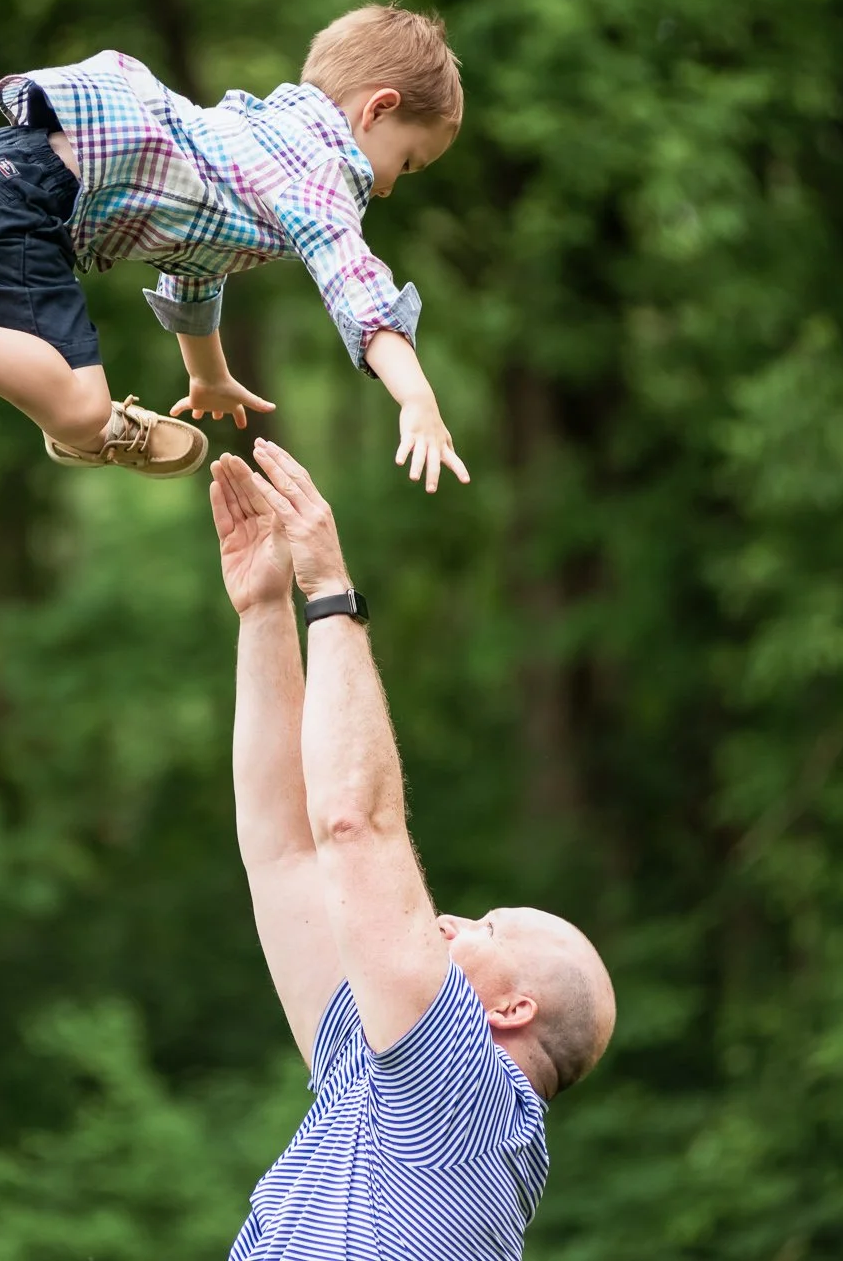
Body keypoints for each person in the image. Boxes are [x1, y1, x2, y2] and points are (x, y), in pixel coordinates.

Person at [0, 6, 472, 492]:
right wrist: (417, 398)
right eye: (406, 163)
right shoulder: (323, 171)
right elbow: (357, 285)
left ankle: (85, 423)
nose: (387, 190)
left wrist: (210, 375)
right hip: (24, 197)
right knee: (75, 407)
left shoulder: (262, 146)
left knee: (34, 376)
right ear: (375, 109)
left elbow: (195, 264)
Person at [207, 439, 615, 1259]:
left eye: (489, 929)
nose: (455, 920)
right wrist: (264, 612)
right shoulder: (380, 1077)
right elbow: (287, 850)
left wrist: (332, 592)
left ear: (510, 1012)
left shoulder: (472, 1103)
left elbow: (355, 824)